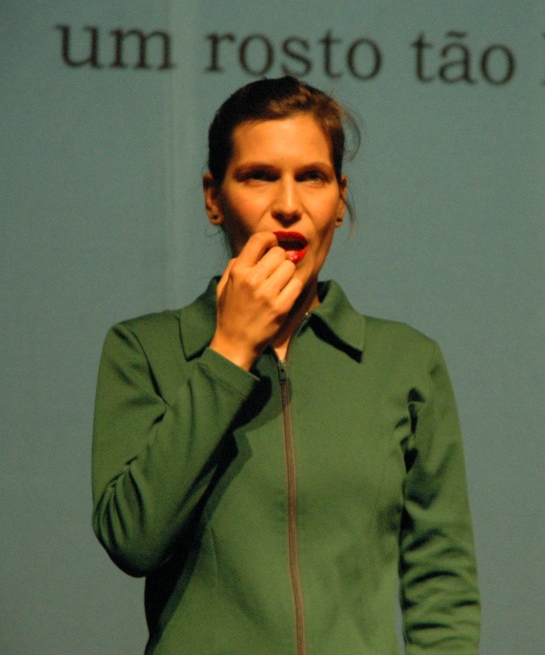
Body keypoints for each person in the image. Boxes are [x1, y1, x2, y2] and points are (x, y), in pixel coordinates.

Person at [92, 77, 480, 654]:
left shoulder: (405, 363)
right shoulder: (146, 350)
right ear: (213, 196)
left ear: (340, 198)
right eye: (259, 176)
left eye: (312, 177)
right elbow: (132, 539)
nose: (289, 205)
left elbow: (441, 581)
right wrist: (229, 351)